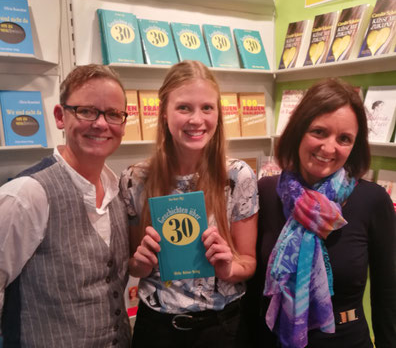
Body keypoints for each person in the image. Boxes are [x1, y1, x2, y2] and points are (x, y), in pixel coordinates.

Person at [242, 78, 396, 348]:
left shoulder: (372, 200)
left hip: (346, 339)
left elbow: (388, 295)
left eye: (344, 138)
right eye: (319, 132)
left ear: (355, 145)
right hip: (272, 339)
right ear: (298, 131)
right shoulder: (265, 192)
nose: (329, 148)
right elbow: (253, 292)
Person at [119, 60, 258, 348]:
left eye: (207, 107)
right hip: (157, 329)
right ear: (164, 114)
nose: (197, 119)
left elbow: (249, 262)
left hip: (221, 329)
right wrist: (140, 263)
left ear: (218, 114)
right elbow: (134, 264)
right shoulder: (135, 179)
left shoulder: (237, 176)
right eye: (184, 107)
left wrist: (228, 268)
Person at [0, 64, 132, 347]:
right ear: (60, 117)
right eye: (86, 111)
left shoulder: (119, 191)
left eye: (113, 114)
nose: (101, 124)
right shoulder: (27, 195)